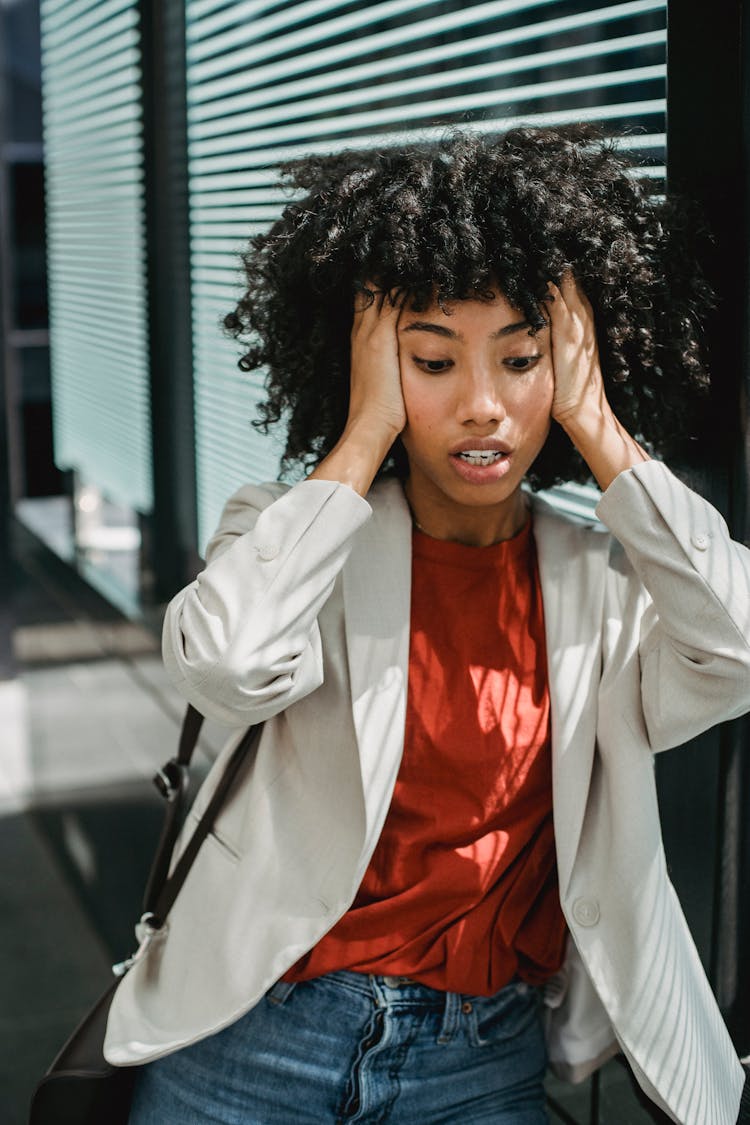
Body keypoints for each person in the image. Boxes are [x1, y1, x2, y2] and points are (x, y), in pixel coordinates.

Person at [107, 127, 750, 1124]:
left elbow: (739, 645)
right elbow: (225, 665)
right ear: (370, 364)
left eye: (521, 357)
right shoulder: (287, 537)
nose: (482, 405)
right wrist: (363, 437)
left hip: (479, 1061)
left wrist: (601, 429)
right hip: (254, 1041)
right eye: (433, 359)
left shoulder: (602, 591)